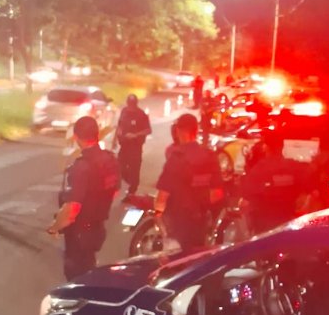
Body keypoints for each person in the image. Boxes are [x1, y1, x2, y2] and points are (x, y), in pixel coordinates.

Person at [47, 116, 120, 281]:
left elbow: (72, 208)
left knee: (76, 277)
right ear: (97, 134)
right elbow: (115, 190)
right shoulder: (110, 160)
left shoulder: (81, 166)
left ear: (76, 137)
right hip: (97, 228)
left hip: (79, 233)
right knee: (89, 270)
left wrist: (55, 227)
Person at [154, 113, 224, 253]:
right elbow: (217, 194)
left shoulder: (176, 159)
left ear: (178, 131)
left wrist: (158, 214)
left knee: (177, 259)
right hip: (201, 222)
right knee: (197, 256)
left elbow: (162, 196)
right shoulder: (210, 156)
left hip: (178, 223)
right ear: (196, 131)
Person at [241, 131, 309, 235]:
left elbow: (246, 200)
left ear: (266, 147)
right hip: (288, 223)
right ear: (282, 147)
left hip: (264, 227)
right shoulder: (294, 167)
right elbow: (307, 191)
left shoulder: (259, 169)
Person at [116, 93, 152, 201]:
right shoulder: (124, 112)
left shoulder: (141, 114)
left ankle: (131, 192)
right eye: (129, 104)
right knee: (120, 167)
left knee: (134, 170)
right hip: (124, 145)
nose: (130, 106)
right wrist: (117, 136)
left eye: (132, 104)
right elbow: (119, 125)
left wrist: (135, 135)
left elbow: (148, 130)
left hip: (135, 147)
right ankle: (129, 182)